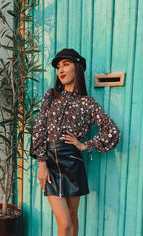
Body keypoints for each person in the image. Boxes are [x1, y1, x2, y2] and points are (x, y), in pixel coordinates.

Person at [31, 48, 120, 236]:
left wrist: (85, 145)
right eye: (58, 66)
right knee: (63, 224)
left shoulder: (87, 103)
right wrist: (41, 163)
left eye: (66, 64)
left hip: (73, 163)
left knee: (72, 217)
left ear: (77, 68)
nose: (61, 70)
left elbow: (112, 131)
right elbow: (39, 128)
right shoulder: (51, 96)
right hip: (50, 163)